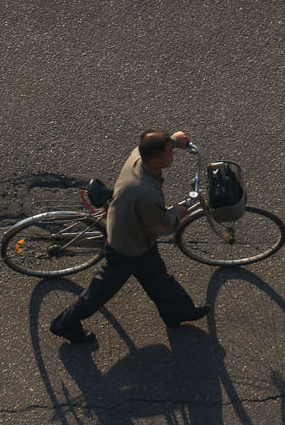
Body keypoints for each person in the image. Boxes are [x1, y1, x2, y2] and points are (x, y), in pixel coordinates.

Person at [48, 129, 210, 344]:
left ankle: (177, 312)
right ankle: (64, 324)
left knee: (159, 279)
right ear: (156, 160)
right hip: (128, 245)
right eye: (170, 153)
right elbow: (159, 226)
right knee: (100, 292)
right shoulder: (146, 193)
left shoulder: (139, 155)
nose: (173, 156)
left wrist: (173, 140)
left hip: (132, 229)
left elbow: (152, 146)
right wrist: (177, 213)